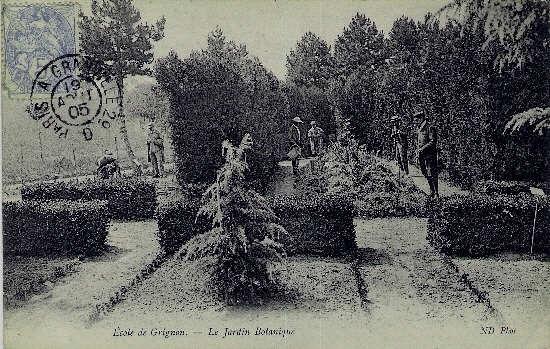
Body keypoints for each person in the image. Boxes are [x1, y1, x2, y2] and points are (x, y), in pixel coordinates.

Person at [414, 110, 438, 198]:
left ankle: (435, 193)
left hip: (429, 154)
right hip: (421, 155)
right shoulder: (419, 128)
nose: (415, 122)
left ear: (421, 118)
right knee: (424, 172)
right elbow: (418, 142)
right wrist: (417, 153)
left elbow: (433, 141)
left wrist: (422, 149)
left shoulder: (429, 127)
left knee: (431, 172)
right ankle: (431, 190)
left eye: (417, 120)